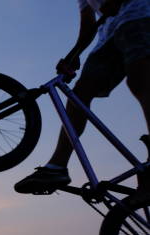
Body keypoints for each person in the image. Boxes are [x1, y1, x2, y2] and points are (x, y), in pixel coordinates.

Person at [15, 0, 150, 194]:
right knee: (79, 94)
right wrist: (74, 54)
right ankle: (57, 166)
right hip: (109, 35)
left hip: (140, 16)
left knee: (140, 77)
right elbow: (88, 23)